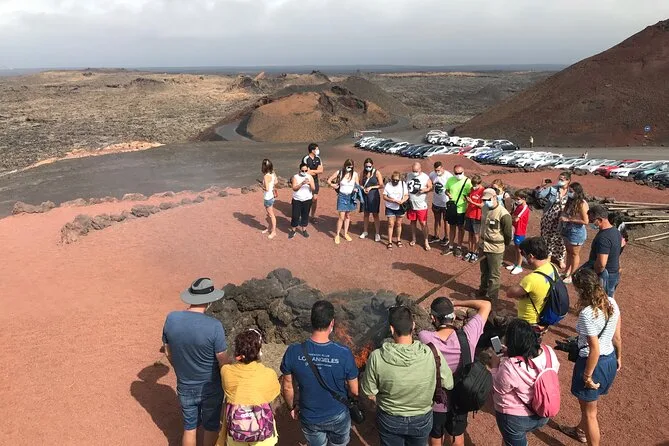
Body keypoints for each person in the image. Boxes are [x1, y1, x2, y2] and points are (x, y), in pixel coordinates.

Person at [361, 305, 454, 446]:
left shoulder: (377, 357)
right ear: (413, 325)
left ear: (392, 329)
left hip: (389, 418)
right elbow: (449, 383)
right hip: (421, 419)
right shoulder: (431, 353)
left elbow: (369, 392)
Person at [162, 278, 231, 446]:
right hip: (211, 386)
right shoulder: (214, 326)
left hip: (185, 384)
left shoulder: (172, 319)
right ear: (209, 300)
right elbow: (222, 359)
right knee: (211, 426)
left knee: (189, 427)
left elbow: (168, 351)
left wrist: (180, 369)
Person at [280, 301, 359, 446]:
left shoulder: (293, 351)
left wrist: (292, 407)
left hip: (309, 415)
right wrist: (351, 400)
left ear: (311, 321)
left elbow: (287, 387)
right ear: (332, 323)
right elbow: (354, 390)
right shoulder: (344, 353)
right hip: (338, 413)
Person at [558, 268, 621, 446]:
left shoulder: (587, 314)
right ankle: (579, 431)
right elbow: (617, 337)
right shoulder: (611, 302)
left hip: (593, 364)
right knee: (589, 406)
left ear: (581, 290)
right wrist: (619, 358)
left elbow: (594, 349)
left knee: (590, 413)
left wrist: (587, 376)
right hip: (609, 359)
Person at [418, 297, 491, 446]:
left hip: (437, 399)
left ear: (433, 318)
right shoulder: (469, 335)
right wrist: (457, 303)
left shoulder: (425, 337)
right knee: (457, 435)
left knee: (436, 434)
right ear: (454, 317)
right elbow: (486, 305)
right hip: (462, 397)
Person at [489, 319, 561, 446]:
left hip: (515, 420)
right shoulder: (549, 352)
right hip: (543, 412)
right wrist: (510, 353)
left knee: (512, 439)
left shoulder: (510, 367)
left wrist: (495, 366)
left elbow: (497, 388)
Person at [218, 329, 280, 446]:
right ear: (259, 351)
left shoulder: (226, 371)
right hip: (262, 431)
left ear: (237, 350)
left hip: (236, 431)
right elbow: (272, 397)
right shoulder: (269, 373)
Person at [506, 237, 557, 328]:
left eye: (523, 254)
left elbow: (510, 293)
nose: (523, 256)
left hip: (528, 321)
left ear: (531, 256)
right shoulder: (552, 267)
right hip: (543, 317)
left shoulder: (532, 279)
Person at [477, 188, 513, 305]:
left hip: (495, 248)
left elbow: (508, 234)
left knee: (494, 275)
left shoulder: (504, 214)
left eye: (488, 199)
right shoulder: (484, 208)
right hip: (483, 245)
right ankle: (482, 291)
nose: (486, 202)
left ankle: (492, 298)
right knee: (484, 271)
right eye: (484, 200)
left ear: (494, 197)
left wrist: (504, 244)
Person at [582, 205, 623, 298]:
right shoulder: (615, 231)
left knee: (600, 300)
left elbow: (601, 264)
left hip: (605, 276)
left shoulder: (603, 238)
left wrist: (593, 276)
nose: (590, 223)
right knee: (609, 298)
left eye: (592, 221)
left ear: (599, 220)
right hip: (614, 273)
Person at [536, 172, 571, 270]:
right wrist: (542, 186)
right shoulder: (553, 189)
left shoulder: (571, 192)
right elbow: (539, 196)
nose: (560, 181)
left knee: (561, 239)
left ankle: (560, 258)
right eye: (559, 179)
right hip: (549, 218)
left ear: (568, 180)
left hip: (562, 220)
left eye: (562, 179)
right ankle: (548, 256)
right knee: (547, 237)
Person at [560, 183, 589, 283]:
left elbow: (586, 221)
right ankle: (566, 272)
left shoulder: (582, 204)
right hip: (567, 230)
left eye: (571, 191)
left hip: (576, 232)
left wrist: (569, 219)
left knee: (574, 254)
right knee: (569, 252)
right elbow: (565, 211)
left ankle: (572, 275)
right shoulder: (570, 201)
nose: (569, 193)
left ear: (577, 192)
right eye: (569, 191)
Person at [328, 159, 360, 245]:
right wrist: (332, 185)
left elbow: (357, 185)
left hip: (350, 197)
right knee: (341, 216)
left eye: (351, 167)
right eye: (348, 166)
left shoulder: (355, 174)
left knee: (347, 215)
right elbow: (329, 180)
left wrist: (356, 189)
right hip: (342, 196)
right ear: (345, 166)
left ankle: (345, 233)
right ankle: (337, 234)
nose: (349, 168)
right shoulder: (339, 172)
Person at [444, 165, 472, 258]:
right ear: (454, 172)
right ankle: (451, 246)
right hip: (452, 207)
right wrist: (448, 194)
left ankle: (459, 247)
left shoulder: (468, 182)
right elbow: (446, 190)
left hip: (462, 209)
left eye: (460, 173)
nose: (459, 175)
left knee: (460, 228)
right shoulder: (450, 180)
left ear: (463, 172)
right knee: (452, 227)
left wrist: (467, 198)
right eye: (457, 173)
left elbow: (471, 194)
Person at [406, 162, 433, 251]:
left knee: (423, 223)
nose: (414, 172)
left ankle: (426, 241)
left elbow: (430, 187)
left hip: (421, 205)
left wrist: (425, 190)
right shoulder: (409, 175)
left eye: (416, 171)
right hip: (411, 204)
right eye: (413, 171)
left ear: (420, 169)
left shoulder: (425, 177)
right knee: (413, 221)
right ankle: (414, 238)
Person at [359, 158, 384, 242]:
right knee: (366, 214)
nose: (368, 168)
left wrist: (371, 187)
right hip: (365, 195)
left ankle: (377, 233)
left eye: (369, 166)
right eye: (366, 166)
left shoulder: (377, 172)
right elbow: (360, 184)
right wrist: (363, 188)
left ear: (372, 165)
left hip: (374, 196)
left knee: (375, 214)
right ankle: (365, 231)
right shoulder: (362, 173)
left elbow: (381, 185)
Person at [384, 171, 410, 249]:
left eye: (397, 180)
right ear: (391, 179)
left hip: (400, 207)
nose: (395, 181)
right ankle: (389, 241)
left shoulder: (403, 184)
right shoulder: (388, 185)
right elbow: (384, 196)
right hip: (390, 207)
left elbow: (406, 195)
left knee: (398, 223)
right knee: (390, 224)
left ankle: (398, 239)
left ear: (399, 179)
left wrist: (402, 201)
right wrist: (391, 200)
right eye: (394, 180)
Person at [290, 162, 316, 239]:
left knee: (305, 215)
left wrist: (309, 184)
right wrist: (301, 184)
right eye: (302, 170)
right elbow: (294, 188)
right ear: (300, 170)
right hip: (297, 199)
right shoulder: (295, 177)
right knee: (295, 215)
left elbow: (313, 189)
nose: (304, 172)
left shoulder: (310, 177)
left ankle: (304, 230)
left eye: (306, 170)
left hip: (307, 199)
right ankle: (293, 230)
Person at [507, 190, 530, 275]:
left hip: (520, 231)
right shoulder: (519, 206)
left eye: (518, 199)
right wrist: (513, 217)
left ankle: (519, 266)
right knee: (516, 248)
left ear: (524, 199)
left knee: (519, 249)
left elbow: (516, 218)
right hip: (516, 229)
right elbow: (514, 216)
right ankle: (515, 263)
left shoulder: (525, 208)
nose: (517, 200)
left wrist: (512, 218)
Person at [429, 161, 452, 246]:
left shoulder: (449, 176)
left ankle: (446, 238)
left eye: (438, 170)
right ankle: (436, 236)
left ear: (442, 168)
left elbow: (452, 188)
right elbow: (430, 184)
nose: (437, 172)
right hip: (436, 202)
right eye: (435, 170)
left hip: (446, 203)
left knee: (446, 221)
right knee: (437, 220)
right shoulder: (432, 174)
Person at [464, 175, 484, 263]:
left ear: (480, 183)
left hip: (477, 216)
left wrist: (471, 202)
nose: (474, 186)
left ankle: (475, 252)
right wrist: (467, 200)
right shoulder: (471, 189)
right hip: (469, 214)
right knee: (470, 234)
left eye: (475, 185)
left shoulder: (483, 191)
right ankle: (470, 251)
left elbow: (482, 205)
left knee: (476, 235)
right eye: (473, 185)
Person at [303, 143, 324, 223]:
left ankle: (312, 216)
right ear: (312, 150)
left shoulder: (318, 158)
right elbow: (307, 172)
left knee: (315, 198)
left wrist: (312, 171)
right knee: (306, 198)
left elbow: (321, 170)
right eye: (317, 149)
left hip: (315, 180)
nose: (318, 150)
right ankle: (304, 214)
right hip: (306, 180)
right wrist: (315, 171)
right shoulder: (306, 158)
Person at [260, 159, 277, 240]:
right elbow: (276, 182)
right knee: (270, 214)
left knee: (271, 215)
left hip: (267, 197)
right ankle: (270, 227)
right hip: (272, 196)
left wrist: (262, 186)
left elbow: (266, 189)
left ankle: (274, 231)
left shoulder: (266, 176)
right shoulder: (272, 173)